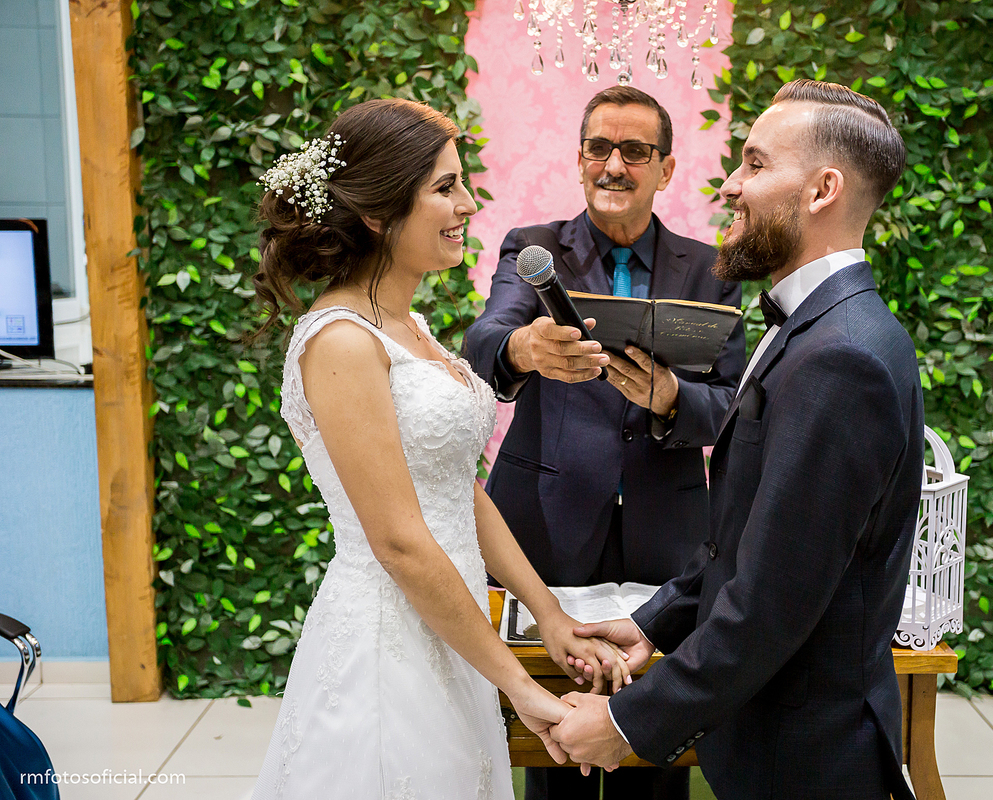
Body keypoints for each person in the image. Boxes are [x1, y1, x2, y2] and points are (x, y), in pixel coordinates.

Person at [549, 79, 925, 800]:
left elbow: (773, 602)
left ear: (822, 190)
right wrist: (654, 624)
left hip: (808, 759)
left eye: (754, 164)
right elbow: (748, 536)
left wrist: (627, 723)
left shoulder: (842, 358)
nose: (729, 185)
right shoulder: (815, 326)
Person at [249, 98, 628, 800]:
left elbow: (457, 489)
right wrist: (520, 686)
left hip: (456, 634)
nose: (468, 205)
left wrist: (548, 613)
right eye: (445, 187)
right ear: (378, 213)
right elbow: (399, 542)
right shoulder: (342, 341)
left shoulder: (411, 325)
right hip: (387, 643)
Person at [464, 86, 745, 800]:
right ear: (580, 159)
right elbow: (484, 342)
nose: (614, 165)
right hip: (545, 526)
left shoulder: (712, 270)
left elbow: (733, 407)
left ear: (666, 168)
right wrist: (523, 348)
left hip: (666, 534)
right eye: (599, 148)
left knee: (655, 745)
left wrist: (671, 398)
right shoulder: (533, 248)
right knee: (553, 747)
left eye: (635, 151)